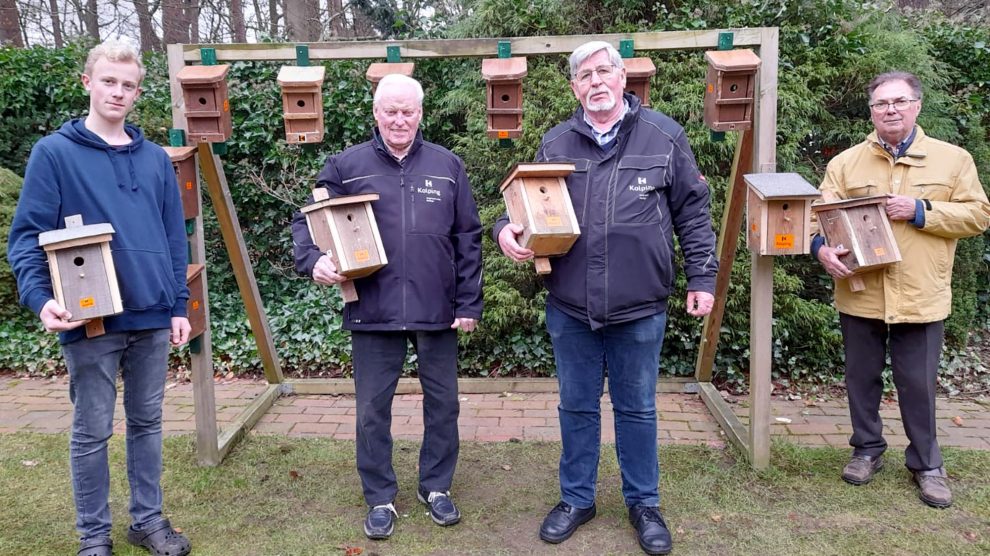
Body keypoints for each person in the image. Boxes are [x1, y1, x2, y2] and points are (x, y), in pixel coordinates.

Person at [495, 41, 717, 556]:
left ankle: (644, 503)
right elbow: (522, 204)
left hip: (639, 307)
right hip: (570, 305)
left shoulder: (664, 137)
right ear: (574, 88)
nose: (594, 82)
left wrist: (701, 279)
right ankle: (577, 499)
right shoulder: (556, 142)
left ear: (622, 78)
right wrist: (506, 229)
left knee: (637, 408)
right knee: (576, 406)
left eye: (603, 71)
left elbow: (693, 214)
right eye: (584, 76)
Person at [7, 38, 193, 556]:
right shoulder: (55, 154)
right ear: (88, 82)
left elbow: (174, 237)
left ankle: (148, 522)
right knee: (91, 430)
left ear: (137, 93)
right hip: (90, 319)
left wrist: (178, 304)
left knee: (148, 423)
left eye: (128, 85)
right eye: (109, 81)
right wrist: (40, 297)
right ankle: (93, 537)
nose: (118, 92)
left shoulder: (156, 159)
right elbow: (26, 236)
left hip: (153, 316)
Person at [291, 73, 483, 540]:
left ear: (421, 113)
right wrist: (314, 260)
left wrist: (469, 302)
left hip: (437, 307)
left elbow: (469, 238)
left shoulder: (447, 165)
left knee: (444, 404)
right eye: (391, 111)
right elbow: (307, 220)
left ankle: (435, 487)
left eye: (408, 111)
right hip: (372, 307)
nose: (400, 120)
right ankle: (380, 497)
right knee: (371, 410)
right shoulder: (345, 166)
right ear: (375, 114)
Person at [814, 71, 990, 508]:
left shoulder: (953, 160)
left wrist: (920, 210)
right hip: (862, 292)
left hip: (920, 295)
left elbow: (978, 215)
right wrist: (821, 250)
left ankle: (927, 464)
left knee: (917, 384)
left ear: (916, 105)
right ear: (871, 111)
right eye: (880, 104)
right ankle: (867, 449)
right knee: (861, 379)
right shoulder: (847, 163)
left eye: (898, 102)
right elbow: (821, 216)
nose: (889, 110)